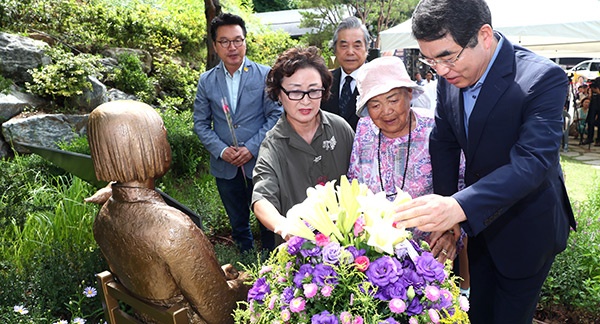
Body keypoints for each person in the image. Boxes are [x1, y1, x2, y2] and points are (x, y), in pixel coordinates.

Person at [392, 0, 576, 323]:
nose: (441, 71)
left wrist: (457, 208)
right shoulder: (448, 79)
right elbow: (444, 142)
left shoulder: (542, 78)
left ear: (485, 35)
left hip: (527, 228)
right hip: (479, 227)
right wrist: (449, 219)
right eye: (430, 60)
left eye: (447, 57)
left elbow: (532, 163)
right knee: (479, 313)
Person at [87, 101, 248, 324]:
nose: (167, 141)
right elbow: (221, 312)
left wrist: (218, 278)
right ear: (143, 145)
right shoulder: (173, 228)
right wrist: (245, 283)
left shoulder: (104, 217)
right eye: (162, 134)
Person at [347, 56, 461, 264]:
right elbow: (354, 184)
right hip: (374, 254)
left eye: (392, 100)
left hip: (429, 253)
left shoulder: (436, 127)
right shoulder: (364, 129)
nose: (386, 111)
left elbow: (461, 185)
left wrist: (452, 231)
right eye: (375, 104)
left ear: (409, 94)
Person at [193, 13, 282, 253]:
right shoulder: (207, 81)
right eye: (224, 41)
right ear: (215, 45)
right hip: (226, 163)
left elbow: (276, 116)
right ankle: (245, 259)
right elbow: (200, 123)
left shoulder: (265, 75)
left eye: (237, 40)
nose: (232, 47)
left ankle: (272, 259)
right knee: (237, 220)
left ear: (245, 41)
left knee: (268, 216)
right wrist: (221, 151)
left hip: (261, 160)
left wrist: (251, 147)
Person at [252, 46, 355, 242]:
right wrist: (285, 228)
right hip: (301, 254)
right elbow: (261, 199)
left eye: (314, 91)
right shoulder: (273, 145)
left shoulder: (340, 129)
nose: (306, 101)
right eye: (295, 92)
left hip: (349, 246)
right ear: (279, 94)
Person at [320, 16, 370, 130]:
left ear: (367, 49)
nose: (350, 52)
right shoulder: (325, 81)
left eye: (357, 46)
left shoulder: (379, 81)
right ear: (335, 49)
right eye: (344, 46)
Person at [583, 79, 600, 146]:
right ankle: (590, 138)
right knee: (591, 120)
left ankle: (599, 140)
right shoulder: (597, 80)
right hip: (594, 102)